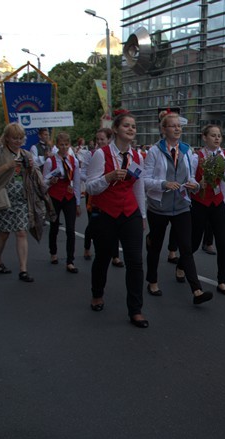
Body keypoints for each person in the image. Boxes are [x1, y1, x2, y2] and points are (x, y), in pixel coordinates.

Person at [85, 110, 150, 328]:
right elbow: (90, 186)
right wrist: (108, 177)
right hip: (106, 213)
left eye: (133, 126)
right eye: (126, 126)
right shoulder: (101, 154)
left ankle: (136, 310)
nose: (131, 129)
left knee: (135, 261)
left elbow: (139, 187)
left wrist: (142, 215)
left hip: (129, 212)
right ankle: (97, 294)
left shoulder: (138, 156)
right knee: (102, 257)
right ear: (115, 129)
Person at [143, 110, 212, 304]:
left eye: (179, 126)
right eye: (173, 126)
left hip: (181, 206)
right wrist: (163, 184)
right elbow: (146, 180)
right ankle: (152, 281)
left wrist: (195, 185)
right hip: (159, 207)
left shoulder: (187, 150)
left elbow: (190, 177)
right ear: (164, 129)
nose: (177, 129)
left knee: (186, 247)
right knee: (156, 247)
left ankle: (197, 290)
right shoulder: (154, 151)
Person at [0, 123, 50, 283]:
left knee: (21, 232)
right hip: (3, 198)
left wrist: (32, 170)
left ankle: (23, 270)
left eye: (21, 138)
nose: (18, 141)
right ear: (7, 138)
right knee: (4, 233)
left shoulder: (26, 154)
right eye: (15, 138)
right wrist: (7, 166)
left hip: (22, 198)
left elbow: (35, 175)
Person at [189, 124, 225, 296]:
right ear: (204, 137)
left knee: (223, 242)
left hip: (217, 202)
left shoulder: (224, 155)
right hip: (200, 202)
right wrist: (197, 184)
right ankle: (181, 264)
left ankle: (222, 281)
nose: (217, 138)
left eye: (219, 135)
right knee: (193, 241)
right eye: (213, 135)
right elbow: (190, 178)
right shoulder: (196, 157)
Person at [83, 128, 124, 267]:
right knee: (93, 225)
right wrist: (100, 178)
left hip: (111, 194)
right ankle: (87, 247)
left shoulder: (115, 154)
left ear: (109, 140)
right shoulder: (92, 154)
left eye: (102, 139)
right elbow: (84, 175)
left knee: (115, 224)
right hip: (94, 194)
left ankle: (115, 256)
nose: (99, 142)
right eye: (97, 139)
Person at [43, 132, 81, 273]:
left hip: (69, 197)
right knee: (54, 226)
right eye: (61, 145)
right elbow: (43, 182)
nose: (64, 147)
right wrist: (50, 181)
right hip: (55, 196)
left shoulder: (74, 161)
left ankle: (70, 261)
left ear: (69, 145)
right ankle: (53, 252)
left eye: (66, 144)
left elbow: (76, 182)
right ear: (57, 145)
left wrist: (77, 203)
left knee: (71, 229)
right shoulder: (50, 161)